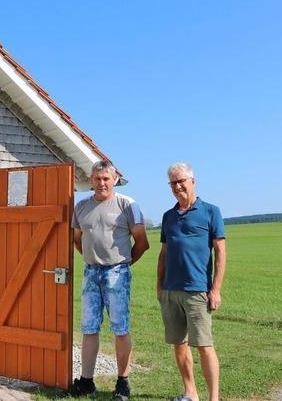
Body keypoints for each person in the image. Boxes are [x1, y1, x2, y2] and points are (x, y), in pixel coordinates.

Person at [64, 160, 150, 400]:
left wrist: (122, 264)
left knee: (120, 329)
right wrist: (94, 259)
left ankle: (122, 383)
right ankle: (86, 382)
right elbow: (77, 239)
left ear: (114, 180)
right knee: (89, 328)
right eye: (97, 178)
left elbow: (142, 242)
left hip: (117, 273)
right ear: (91, 180)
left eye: (106, 179)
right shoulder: (81, 207)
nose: (101, 183)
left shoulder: (127, 205)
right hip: (91, 273)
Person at [157, 163, 226, 401]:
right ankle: (190, 393)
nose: (178, 187)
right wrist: (160, 286)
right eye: (173, 183)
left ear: (192, 181)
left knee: (204, 346)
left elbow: (220, 252)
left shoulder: (211, 211)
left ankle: (213, 398)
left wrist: (215, 289)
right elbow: (164, 254)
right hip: (171, 290)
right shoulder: (168, 217)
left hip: (198, 290)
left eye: (181, 181)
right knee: (178, 344)